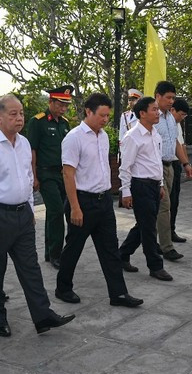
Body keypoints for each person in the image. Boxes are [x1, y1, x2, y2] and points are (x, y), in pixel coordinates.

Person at [0, 94, 76, 337]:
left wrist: (29, 208)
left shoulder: (24, 143)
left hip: (22, 215)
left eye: (21, 114)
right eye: (13, 114)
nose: (19, 119)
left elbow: (28, 178)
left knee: (31, 268)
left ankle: (43, 315)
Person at [55, 92, 143, 308]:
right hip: (82, 202)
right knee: (74, 248)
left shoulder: (103, 136)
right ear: (88, 111)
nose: (105, 120)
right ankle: (63, 288)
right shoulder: (74, 138)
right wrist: (75, 207)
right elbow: (68, 174)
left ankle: (118, 294)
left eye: (107, 115)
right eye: (101, 115)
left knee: (110, 249)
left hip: (104, 203)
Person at [118, 96, 171, 281]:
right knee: (149, 228)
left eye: (158, 109)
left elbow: (156, 161)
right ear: (142, 113)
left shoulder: (155, 134)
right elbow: (125, 167)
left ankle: (122, 254)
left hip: (154, 186)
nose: (158, 112)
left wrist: (161, 184)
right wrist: (126, 192)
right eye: (154, 109)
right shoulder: (132, 136)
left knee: (144, 224)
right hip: (140, 185)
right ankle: (155, 266)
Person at [27, 85, 72, 270]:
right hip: (46, 173)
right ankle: (56, 254)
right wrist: (34, 176)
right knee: (55, 211)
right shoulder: (37, 122)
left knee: (58, 212)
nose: (63, 109)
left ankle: (49, 251)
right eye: (60, 104)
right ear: (51, 102)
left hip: (62, 173)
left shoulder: (65, 123)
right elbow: (32, 150)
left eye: (65, 105)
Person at [153, 82, 192, 261]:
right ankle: (166, 247)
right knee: (164, 207)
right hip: (156, 167)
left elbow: (175, 143)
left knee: (157, 209)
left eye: (173, 98)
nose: (171, 101)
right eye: (168, 97)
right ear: (157, 96)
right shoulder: (151, 117)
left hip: (170, 166)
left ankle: (147, 240)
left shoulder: (170, 118)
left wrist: (185, 163)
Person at [169, 98, 190, 243]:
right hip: (166, 164)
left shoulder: (177, 125)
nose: (182, 118)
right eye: (181, 114)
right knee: (166, 204)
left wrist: (186, 164)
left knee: (174, 201)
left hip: (176, 165)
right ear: (172, 110)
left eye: (185, 116)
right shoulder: (166, 123)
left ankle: (171, 230)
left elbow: (181, 145)